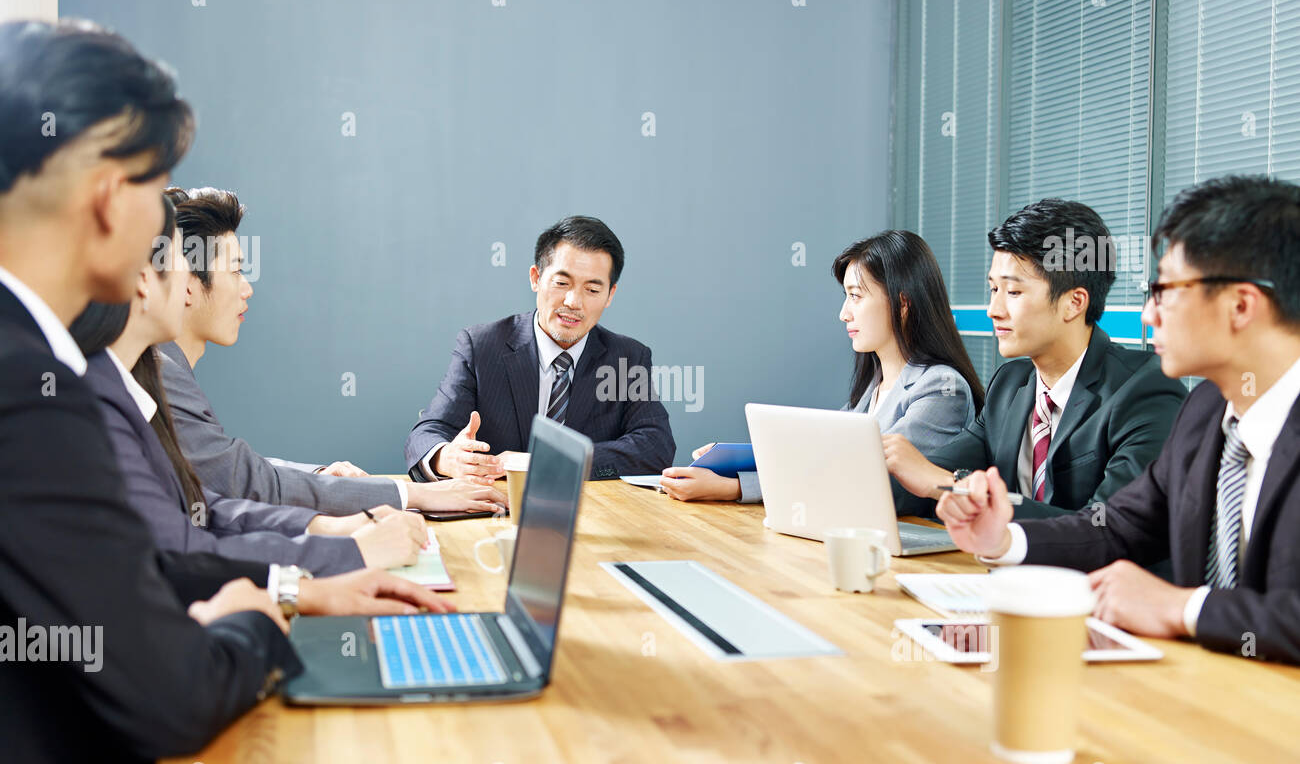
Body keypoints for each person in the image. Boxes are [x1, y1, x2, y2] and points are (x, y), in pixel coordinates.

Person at [0, 19, 450, 764]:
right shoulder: (30, 390)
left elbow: (119, 565)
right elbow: (173, 696)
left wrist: (285, 585)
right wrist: (254, 622)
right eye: (157, 188)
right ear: (107, 196)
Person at [939, 176, 1300, 664]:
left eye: (1166, 291)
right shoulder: (1206, 414)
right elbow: (1117, 526)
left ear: (1241, 305)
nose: (1149, 314)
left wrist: (1183, 607)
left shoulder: (1158, 393)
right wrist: (1003, 537)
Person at [68, 196, 428, 575]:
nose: (186, 287)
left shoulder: (127, 380)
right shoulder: (113, 393)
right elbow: (188, 539)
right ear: (144, 280)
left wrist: (322, 527)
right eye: (178, 269)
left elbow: (200, 504)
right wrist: (345, 552)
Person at [160, 186, 505, 516]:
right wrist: (416, 494)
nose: (247, 288)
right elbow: (246, 482)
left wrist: (320, 473)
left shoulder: (167, 369)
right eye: (236, 271)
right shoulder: (162, 376)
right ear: (188, 285)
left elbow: (229, 467)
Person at [886, 199, 1186, 519]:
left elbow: (1108, 525)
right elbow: (924, 478)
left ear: (1074, 303)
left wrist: (948, 485)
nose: (994, 310)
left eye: (1013, 293)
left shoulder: (1144, 389)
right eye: (993, 289)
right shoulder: (1009, 384)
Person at [659, 230, 984, 502]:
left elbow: (860, 478)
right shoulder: (872, 390)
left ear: (902, 304)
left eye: (856, 296)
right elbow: (818, 456)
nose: (844, 313)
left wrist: (734, 488)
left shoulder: (942, 389)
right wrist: (730, 462)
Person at [404, 215, 676, 481]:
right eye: (561, 283)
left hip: (592, 512)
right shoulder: (482, 347)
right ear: (536, 278)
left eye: (592, 290)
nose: (573, 302)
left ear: (610, 295)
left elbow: (655, 447)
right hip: (493, 508)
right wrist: (446, 457)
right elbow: (427, 432)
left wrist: (553, 462)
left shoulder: (626, 359)